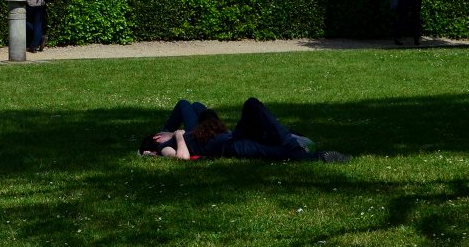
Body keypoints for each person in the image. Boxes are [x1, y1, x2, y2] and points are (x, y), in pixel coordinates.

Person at [140, 98, 348, 162]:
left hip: (230, 136)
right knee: (267, 151)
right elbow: (182, 158)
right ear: (157, 138)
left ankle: (287, 139)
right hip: (227, 146)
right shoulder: (166, 147)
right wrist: (176, 134)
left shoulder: (189, 133)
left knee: (252, 104)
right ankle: (317, 156)